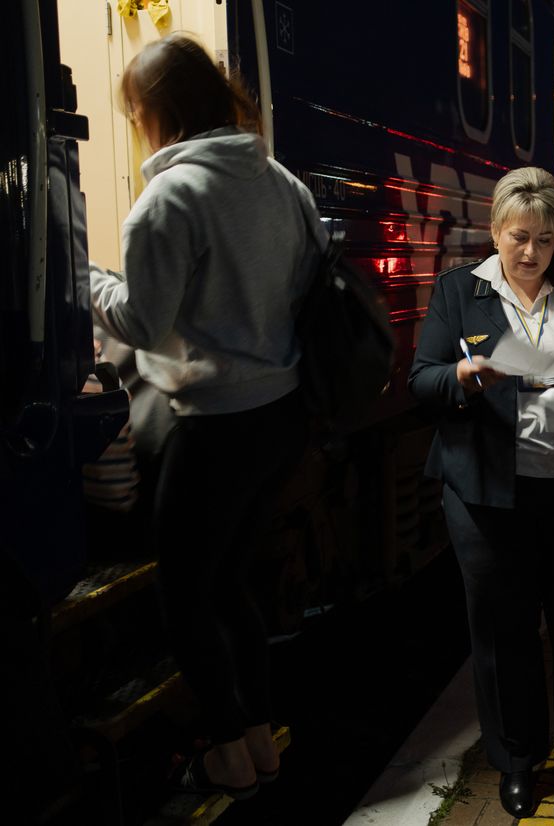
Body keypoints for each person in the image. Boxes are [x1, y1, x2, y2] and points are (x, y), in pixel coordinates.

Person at [89, 34, 317, 798]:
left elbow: (143, 324)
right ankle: (260, 735)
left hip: (214, 424)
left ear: (157, 114)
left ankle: (225, 748)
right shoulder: (280, 180)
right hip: (282, 415)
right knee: (229, 583)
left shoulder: (167, 199)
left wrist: (86, 279)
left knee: (183, 591)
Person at [407, 166, 554, 818]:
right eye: (518, 238)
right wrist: (462, 375)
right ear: (494, 232)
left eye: (544, 238)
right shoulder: (458, 292)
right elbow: (421, 381)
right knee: (503, 636)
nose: (531, 253)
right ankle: (517, 760)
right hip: (487, 501)